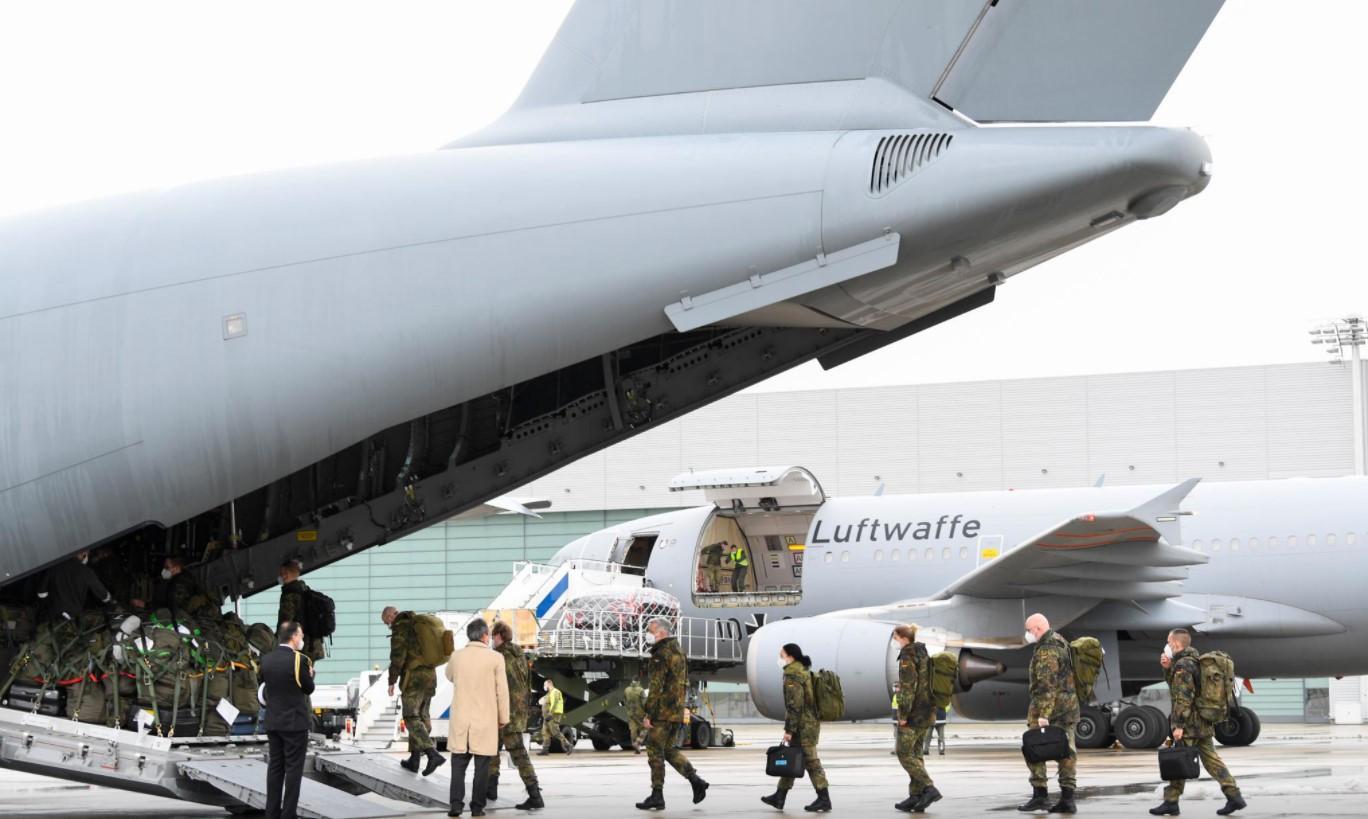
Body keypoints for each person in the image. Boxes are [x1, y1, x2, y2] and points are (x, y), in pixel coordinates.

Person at [1150, 629, 1246, 816]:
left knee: (1177, 760)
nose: (1167, 645)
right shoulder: (1193, 661)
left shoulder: (1183, 666)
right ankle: (1234, 796)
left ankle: (1171, 802)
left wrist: (1178, 725)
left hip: (1189, 723)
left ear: (1176, 644)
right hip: (1203, 721)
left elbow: (1183, 697)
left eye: (1169, 642)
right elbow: (1180, 688)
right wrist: (1168, 667)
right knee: (1212, 760)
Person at [635, 618, 709, 811]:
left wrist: (648, 713)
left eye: (650, 630)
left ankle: (657, 795)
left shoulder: (661, 654)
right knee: (668, 750)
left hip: (662, 713)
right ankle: (695, 780)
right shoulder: (679, 652)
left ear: (661, 633)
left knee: (654, 751)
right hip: (676, 711)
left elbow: (656, 686)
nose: (648, 634)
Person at [444, 618, 509, 818]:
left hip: (461, 721)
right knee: (482, 768)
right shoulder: (495, 658)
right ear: (483, 636)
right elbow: (502, 691)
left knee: (458, 765)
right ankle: (477, 808)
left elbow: (449, 675)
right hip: (485, 721)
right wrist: (503, 717)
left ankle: (455, 806)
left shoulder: (457, 657)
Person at [1018, 613, 1078, 814]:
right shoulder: (1060, 641)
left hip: (1048, 709)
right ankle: (1068, 799)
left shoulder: (1046, 651)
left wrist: (1043, 714)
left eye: (1028, 630)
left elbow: (1046, 685)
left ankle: (1040, 795)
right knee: (1067, 752)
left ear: (1037, 628)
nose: (1027, 634)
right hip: (1068, 707)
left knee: (1033, 747)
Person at [761, 643, 831, 812]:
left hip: (803, 726)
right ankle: (780, 796)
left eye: (781, 655)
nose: (780, 658)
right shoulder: (802, 670)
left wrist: (789, 730)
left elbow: (795, 705)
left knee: (811, 762)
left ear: (790, 656)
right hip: (807, 723)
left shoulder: (793, 674)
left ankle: (824, 798)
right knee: (791, 758)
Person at [260, 621, 315, 819]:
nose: (301, 640)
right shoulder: (299, 660)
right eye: (300, 636)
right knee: (293, 770)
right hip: (294, 723)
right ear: (293, 637)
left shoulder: (266, 659)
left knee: (275, 768)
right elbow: (308, 688)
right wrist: (311, 675)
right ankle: (288, 814)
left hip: (273, 721)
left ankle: (271, 813)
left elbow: (264, 690)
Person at [382, 606, 445, 776]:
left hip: (414, 676)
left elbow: (398, 657)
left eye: (386, 621)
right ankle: (414, 759)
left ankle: (433, 754)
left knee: (410, 716)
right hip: (430, 675)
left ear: (389, 617)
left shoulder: (400, 627)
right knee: (422, 716)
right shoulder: (417, 623)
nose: (387, 624)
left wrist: (392, 680)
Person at [487, 620, 543, 810]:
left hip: (504, 713)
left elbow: (500, 687)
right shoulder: (519, 655)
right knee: (496, 749)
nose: (492, 639)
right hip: (518, 712)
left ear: (499, 636)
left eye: (493, 635)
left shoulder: (499, 657)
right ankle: (492, 790)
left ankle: (534, 795)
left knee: (513, 753)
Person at [893, 624, 941, 813]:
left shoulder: (907, 656)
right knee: (916, 754)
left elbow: (908, 688)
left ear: (904, 638)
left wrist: (903, 715)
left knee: (903, 753)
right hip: (927, 711)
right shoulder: (923, 653)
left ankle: (929, 788)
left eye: (896, 638)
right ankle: (916, 795)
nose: (895, 642)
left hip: (913, 714)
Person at [36, 550, 113, 621]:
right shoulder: (85, 571)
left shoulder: (55, 566)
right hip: (73, 617)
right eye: (86, 554)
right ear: (83, 553)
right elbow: (101, 592)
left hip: (52, 613)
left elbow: (41, 592)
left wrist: (48, 604)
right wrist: (109, 600)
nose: (87, 556)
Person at [277, 560, 326, 661]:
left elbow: (285, 621)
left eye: (281, 573)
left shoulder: (290, 595)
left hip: (301, 646)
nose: (280, 576)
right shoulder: (304, 589)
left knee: (297, 674)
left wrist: (276, 641)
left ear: (286, 574)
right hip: (314, 644)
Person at [537, 679, 572, 755]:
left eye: (545, 685)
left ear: (549, 684)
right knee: (545, 732)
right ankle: (545, 750)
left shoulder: (555, 692)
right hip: (547, 716)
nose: (544, 687)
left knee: (555, 732)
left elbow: (554, 704)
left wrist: (550, 714)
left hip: (553, 715)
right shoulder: (549, 693)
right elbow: (544, 701)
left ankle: (568, 745)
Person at [624, 678, 646, 753]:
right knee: (645, 728)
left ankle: (636, 747)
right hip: (640, 713)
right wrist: (647, 712)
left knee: (633, 730)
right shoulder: (641, 690)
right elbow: (644, 703)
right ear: (638, 681)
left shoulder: (626, 690)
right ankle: (638, 742)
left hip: (630, 713)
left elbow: (625, 701)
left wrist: (628, 710)